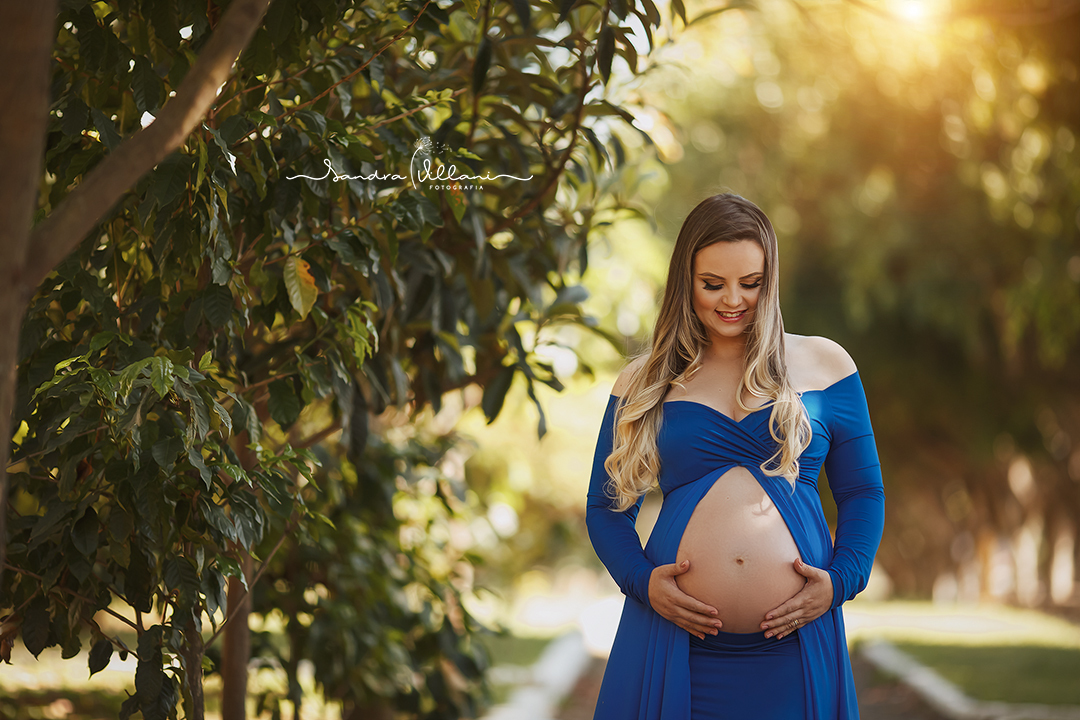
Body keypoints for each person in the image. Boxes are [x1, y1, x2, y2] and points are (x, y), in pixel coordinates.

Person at [585, 193, 886, 720]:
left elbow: (862, 492)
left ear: (770, 280)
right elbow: (605, 507)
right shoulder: (646, 380)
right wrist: (641, 580)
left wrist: (842, 582)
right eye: (712, 284)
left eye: (751, 283)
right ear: (686, 281)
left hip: (795, 645)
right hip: (675, 642)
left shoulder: (825, 363)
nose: (732, 300)